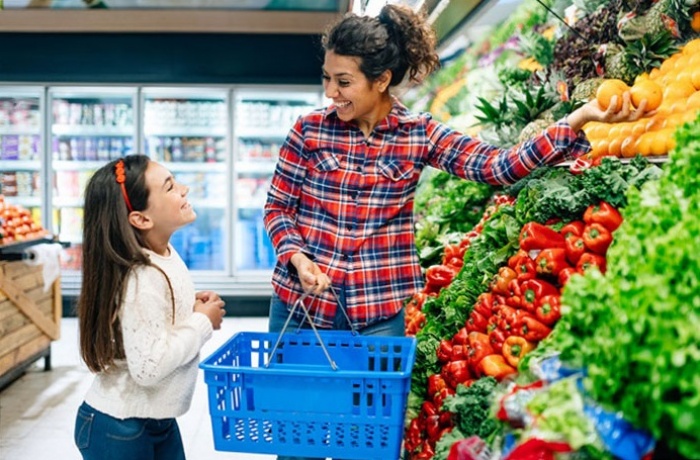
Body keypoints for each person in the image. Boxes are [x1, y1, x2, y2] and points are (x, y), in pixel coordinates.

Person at [263, 5, 647, 459]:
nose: (330, 92)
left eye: (343, 82)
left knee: (366, 443)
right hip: (302, 309)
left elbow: (498, 166)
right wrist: (298, 258)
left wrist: (579, 117)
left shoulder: (419, 134)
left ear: (381, 79)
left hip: (377, 318)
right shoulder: (308, 131)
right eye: (327, 78)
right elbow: (278, 207)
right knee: (296, 439)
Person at [73, 154, 226, 460]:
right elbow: (148, 367)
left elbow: (154, 324)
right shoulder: (141, 278)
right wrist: (200, 323)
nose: (184, 189)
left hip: (155, 418)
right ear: (141, 219)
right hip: (120, 427)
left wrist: (188, 310)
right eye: (170, 187)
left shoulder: (163, 253)